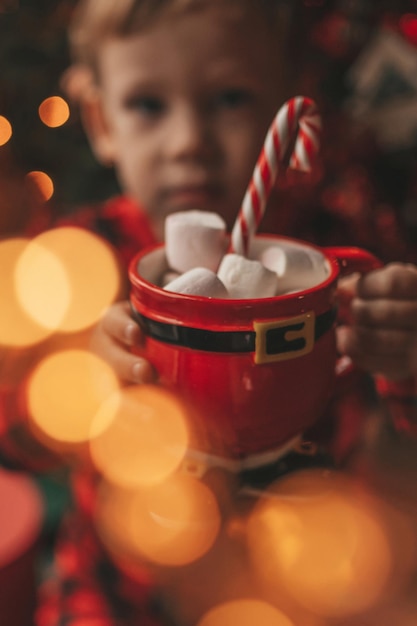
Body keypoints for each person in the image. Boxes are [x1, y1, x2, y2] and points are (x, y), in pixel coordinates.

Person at [1, 0, 417, 624]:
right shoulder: (76, 267)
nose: (188, 142)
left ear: (287, 99)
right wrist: (70, 379)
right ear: (100, 120)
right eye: (147, 105)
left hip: (309, 579)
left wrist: (404, 358)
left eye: (229, 98)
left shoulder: (338, 255)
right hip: (116, 585)